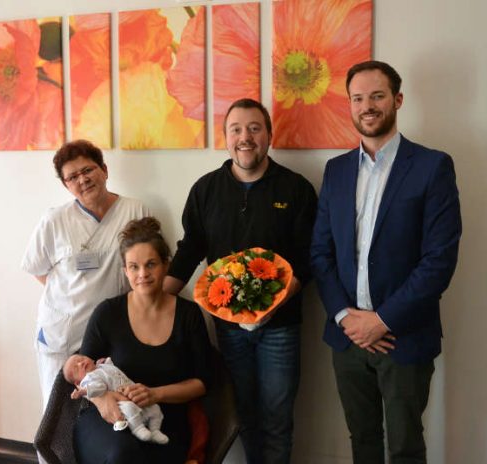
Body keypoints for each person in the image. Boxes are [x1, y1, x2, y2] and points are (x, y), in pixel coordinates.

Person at [310, 60, 462, 463]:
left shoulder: (432, 167)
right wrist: (346, 316)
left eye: (377, 96)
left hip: (404, 336)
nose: (367, 106)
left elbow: (439, 260)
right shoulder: (337, 171)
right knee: (362, 444)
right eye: (357, 98)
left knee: (405, 448)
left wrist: (381, 320)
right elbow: (320, 254)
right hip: (346, 339)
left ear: (397, 100)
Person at [163, 98, 318, 464]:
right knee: (244, 414)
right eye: (236, 130)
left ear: (268, 135)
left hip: (280, 327)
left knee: (278, 418)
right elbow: (190, 250)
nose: (245, 137)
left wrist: (275, 300)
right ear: (225, 138)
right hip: (228, 329)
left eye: (254, 128)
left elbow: (311, 256)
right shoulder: (205, 190)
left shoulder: (296, 189)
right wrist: (153, 300)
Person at [21, 140, 150, 407]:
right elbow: (37, 269)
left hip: (110, 334)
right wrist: (76, 295)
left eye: (88, 170)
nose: (83, 179)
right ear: (66, 185)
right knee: (56, 414)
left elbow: (147, 265)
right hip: (63, 335)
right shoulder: (54, 220)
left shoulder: (135, 211)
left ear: (104, 169)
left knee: (106, 409)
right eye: (73, 177)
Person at [74, 216, 210, 464]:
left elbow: (202, 382)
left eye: (151, 264)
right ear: (125, 271)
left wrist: (155, 394)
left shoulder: (189, 315)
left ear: (166, 265)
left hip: (163, 422)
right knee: (122, 454)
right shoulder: (107, 313)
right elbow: (82, 370)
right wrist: (101, 399)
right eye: (134, 267)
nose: (143, 274)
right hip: (109, 418)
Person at [64, 354, 169, 444]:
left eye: (81, 359)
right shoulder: (90, 379)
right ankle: (138, 428)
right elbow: (98, 388)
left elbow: (112, 370)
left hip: (134, 393)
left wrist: (105, 362)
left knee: (154, 408)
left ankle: (155, 430)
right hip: (121, 402)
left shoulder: (100, 367)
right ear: (78, 383)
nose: (81, 363)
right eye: (76, 368)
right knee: (129, 408)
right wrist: (83, 391)